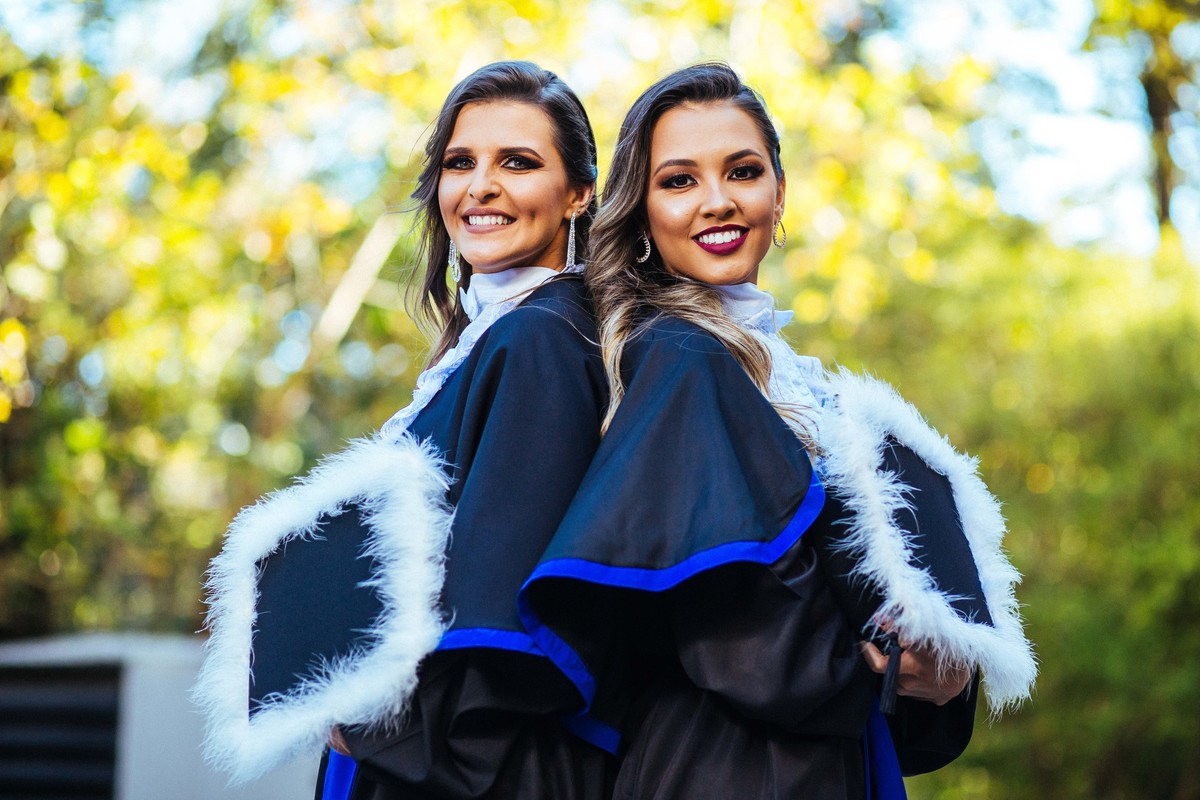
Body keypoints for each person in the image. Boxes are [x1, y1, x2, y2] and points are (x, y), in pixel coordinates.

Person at [516, 63, 1035, 799]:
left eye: (743, 171)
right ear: (642, 210)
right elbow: (728, 613)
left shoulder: (802, 380)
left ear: (779, 192)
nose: (718, 201)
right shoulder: (673, 355)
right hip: (721, 764)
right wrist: (868, 672)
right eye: (679, 180)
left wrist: (935, 665)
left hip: (824, 758)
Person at [194, 61, 617, 800]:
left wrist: (375, 732)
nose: (480, 186)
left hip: (463, 765)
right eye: (460, 162)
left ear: (579, 193)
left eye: (518, 162)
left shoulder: (540, 340)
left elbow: (510, 609)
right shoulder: (490, 340)